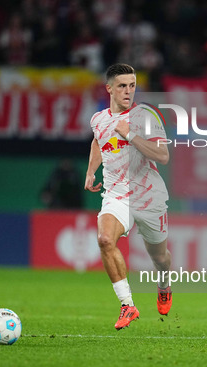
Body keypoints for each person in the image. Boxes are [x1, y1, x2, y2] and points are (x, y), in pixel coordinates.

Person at [84, 63, 172, 330]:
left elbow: (163, 156)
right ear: (109, 88)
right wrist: (90, 172)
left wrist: (130, 135)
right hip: (116, 195)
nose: (128, 91)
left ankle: (164, 285)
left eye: (132, 85)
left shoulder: (145, 117)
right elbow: (99, 140)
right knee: (104, 239)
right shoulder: (98, 119)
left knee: (160, 258)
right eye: (122, 86)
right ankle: (127, 305)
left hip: (148, 197)